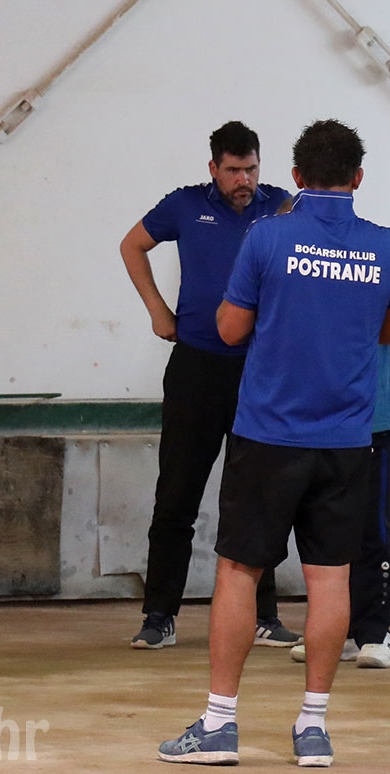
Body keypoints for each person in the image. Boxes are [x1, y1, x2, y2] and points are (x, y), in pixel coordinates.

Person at [158, 119, 390, 767]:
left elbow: (230, 329)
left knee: (239, 570)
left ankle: (219, 724)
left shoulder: (268, 236)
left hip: (269, 433)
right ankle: (314, 727)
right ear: (359, 177)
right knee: (331, 579)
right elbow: (389, 333)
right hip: (347, 438)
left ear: (295, 177)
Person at [120, 121, 300, 650]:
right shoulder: (185, 205)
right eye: (233, 170)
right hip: (196, 367)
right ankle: (159, 616)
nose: (244, 180)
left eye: (251, 169)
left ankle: (264, 616)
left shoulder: (282, 207)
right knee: (176, 494)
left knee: (258, 497)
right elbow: (132, 246)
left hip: (258, 372)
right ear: (213, 169)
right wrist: (158, 311)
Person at [289, 295, 390, 669]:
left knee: (375, 530)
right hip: (321, 421)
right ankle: (335, 630)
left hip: (376, 419)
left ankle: (375, 631)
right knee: (326, 529)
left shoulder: (384, 274)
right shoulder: (309, 277)